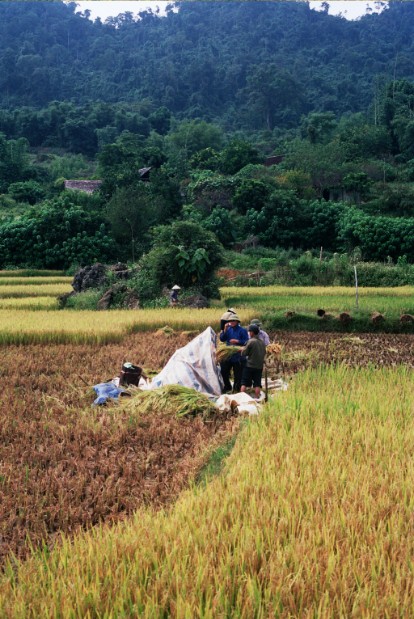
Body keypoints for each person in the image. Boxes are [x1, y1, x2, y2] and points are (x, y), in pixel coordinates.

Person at [219, 314, 248, 393]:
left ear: (237, 321)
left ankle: (236, 389)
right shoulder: (228, 329)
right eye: (230, 321)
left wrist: (237, 341)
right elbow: (222, 339)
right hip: (229, 355)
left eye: (233, 321)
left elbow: (246, 342)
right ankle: (227, 386)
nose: (231, 322)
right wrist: (224, 329)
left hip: (238, 356)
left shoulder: (242, 330)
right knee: (224, 371)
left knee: (238, 375)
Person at [241, 324, 266, 398]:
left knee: (244, 382)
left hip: (249, 366)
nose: (249, 333)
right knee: (257, 384)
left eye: (249, 332)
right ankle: (257, 398)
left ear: (252, 332)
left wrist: (242, 350)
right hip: (259, 366)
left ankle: (242, 398)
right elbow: (264, 352)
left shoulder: (251, 341)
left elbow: (244, 353)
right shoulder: (262, 342)